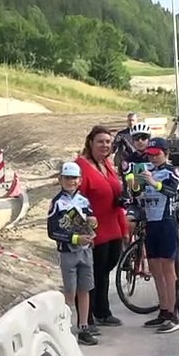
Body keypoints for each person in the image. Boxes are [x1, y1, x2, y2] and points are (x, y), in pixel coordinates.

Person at [125, 137, 179, 334]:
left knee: (168, 269)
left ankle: (174, 314)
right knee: (155, 269)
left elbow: (172, 191)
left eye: (157, 154)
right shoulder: (147, 170)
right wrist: (135, 186)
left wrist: (154, 182)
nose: (153, 158)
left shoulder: (171, 171)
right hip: (151, 224)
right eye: (150, 155)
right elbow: (138, 197)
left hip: (166, 223)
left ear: (165, 153)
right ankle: (163, 310)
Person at [74, 125, 128, 329]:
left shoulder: (106, 164)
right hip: (93, 232)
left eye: (108, 142)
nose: (105, 145)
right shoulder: (80, 167)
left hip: (113, 228)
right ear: (90, 143)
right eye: (100, 142)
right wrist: (83, 231)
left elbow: (117, 198)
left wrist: (123, 228)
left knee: (104, 272)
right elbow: (74, 201)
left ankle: (102, 312)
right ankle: (86, 319)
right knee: (90, 275)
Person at [45, 161, 98, 345]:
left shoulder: (84, 200)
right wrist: (75, 239)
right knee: (70, 291)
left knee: (85, 289)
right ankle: (65, 330)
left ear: (80, 180)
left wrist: (93, 222)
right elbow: (52, 231)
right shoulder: (57, 203)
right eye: (67, 178)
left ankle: (84, 327)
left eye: (74, 178)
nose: (71, 182)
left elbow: (91, 220)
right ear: (60, 179)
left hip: (86, 252)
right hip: (68, 252)